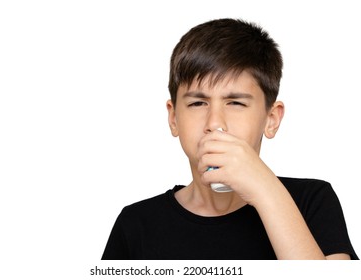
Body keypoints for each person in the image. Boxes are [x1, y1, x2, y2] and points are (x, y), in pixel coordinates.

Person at [101, 18, 358, 260]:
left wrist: (266, 189)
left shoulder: (312, 200)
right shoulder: (137, 223)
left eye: (235, 102)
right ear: (173, 118)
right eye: (198, 103)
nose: (215, 123)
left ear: (272, 119)